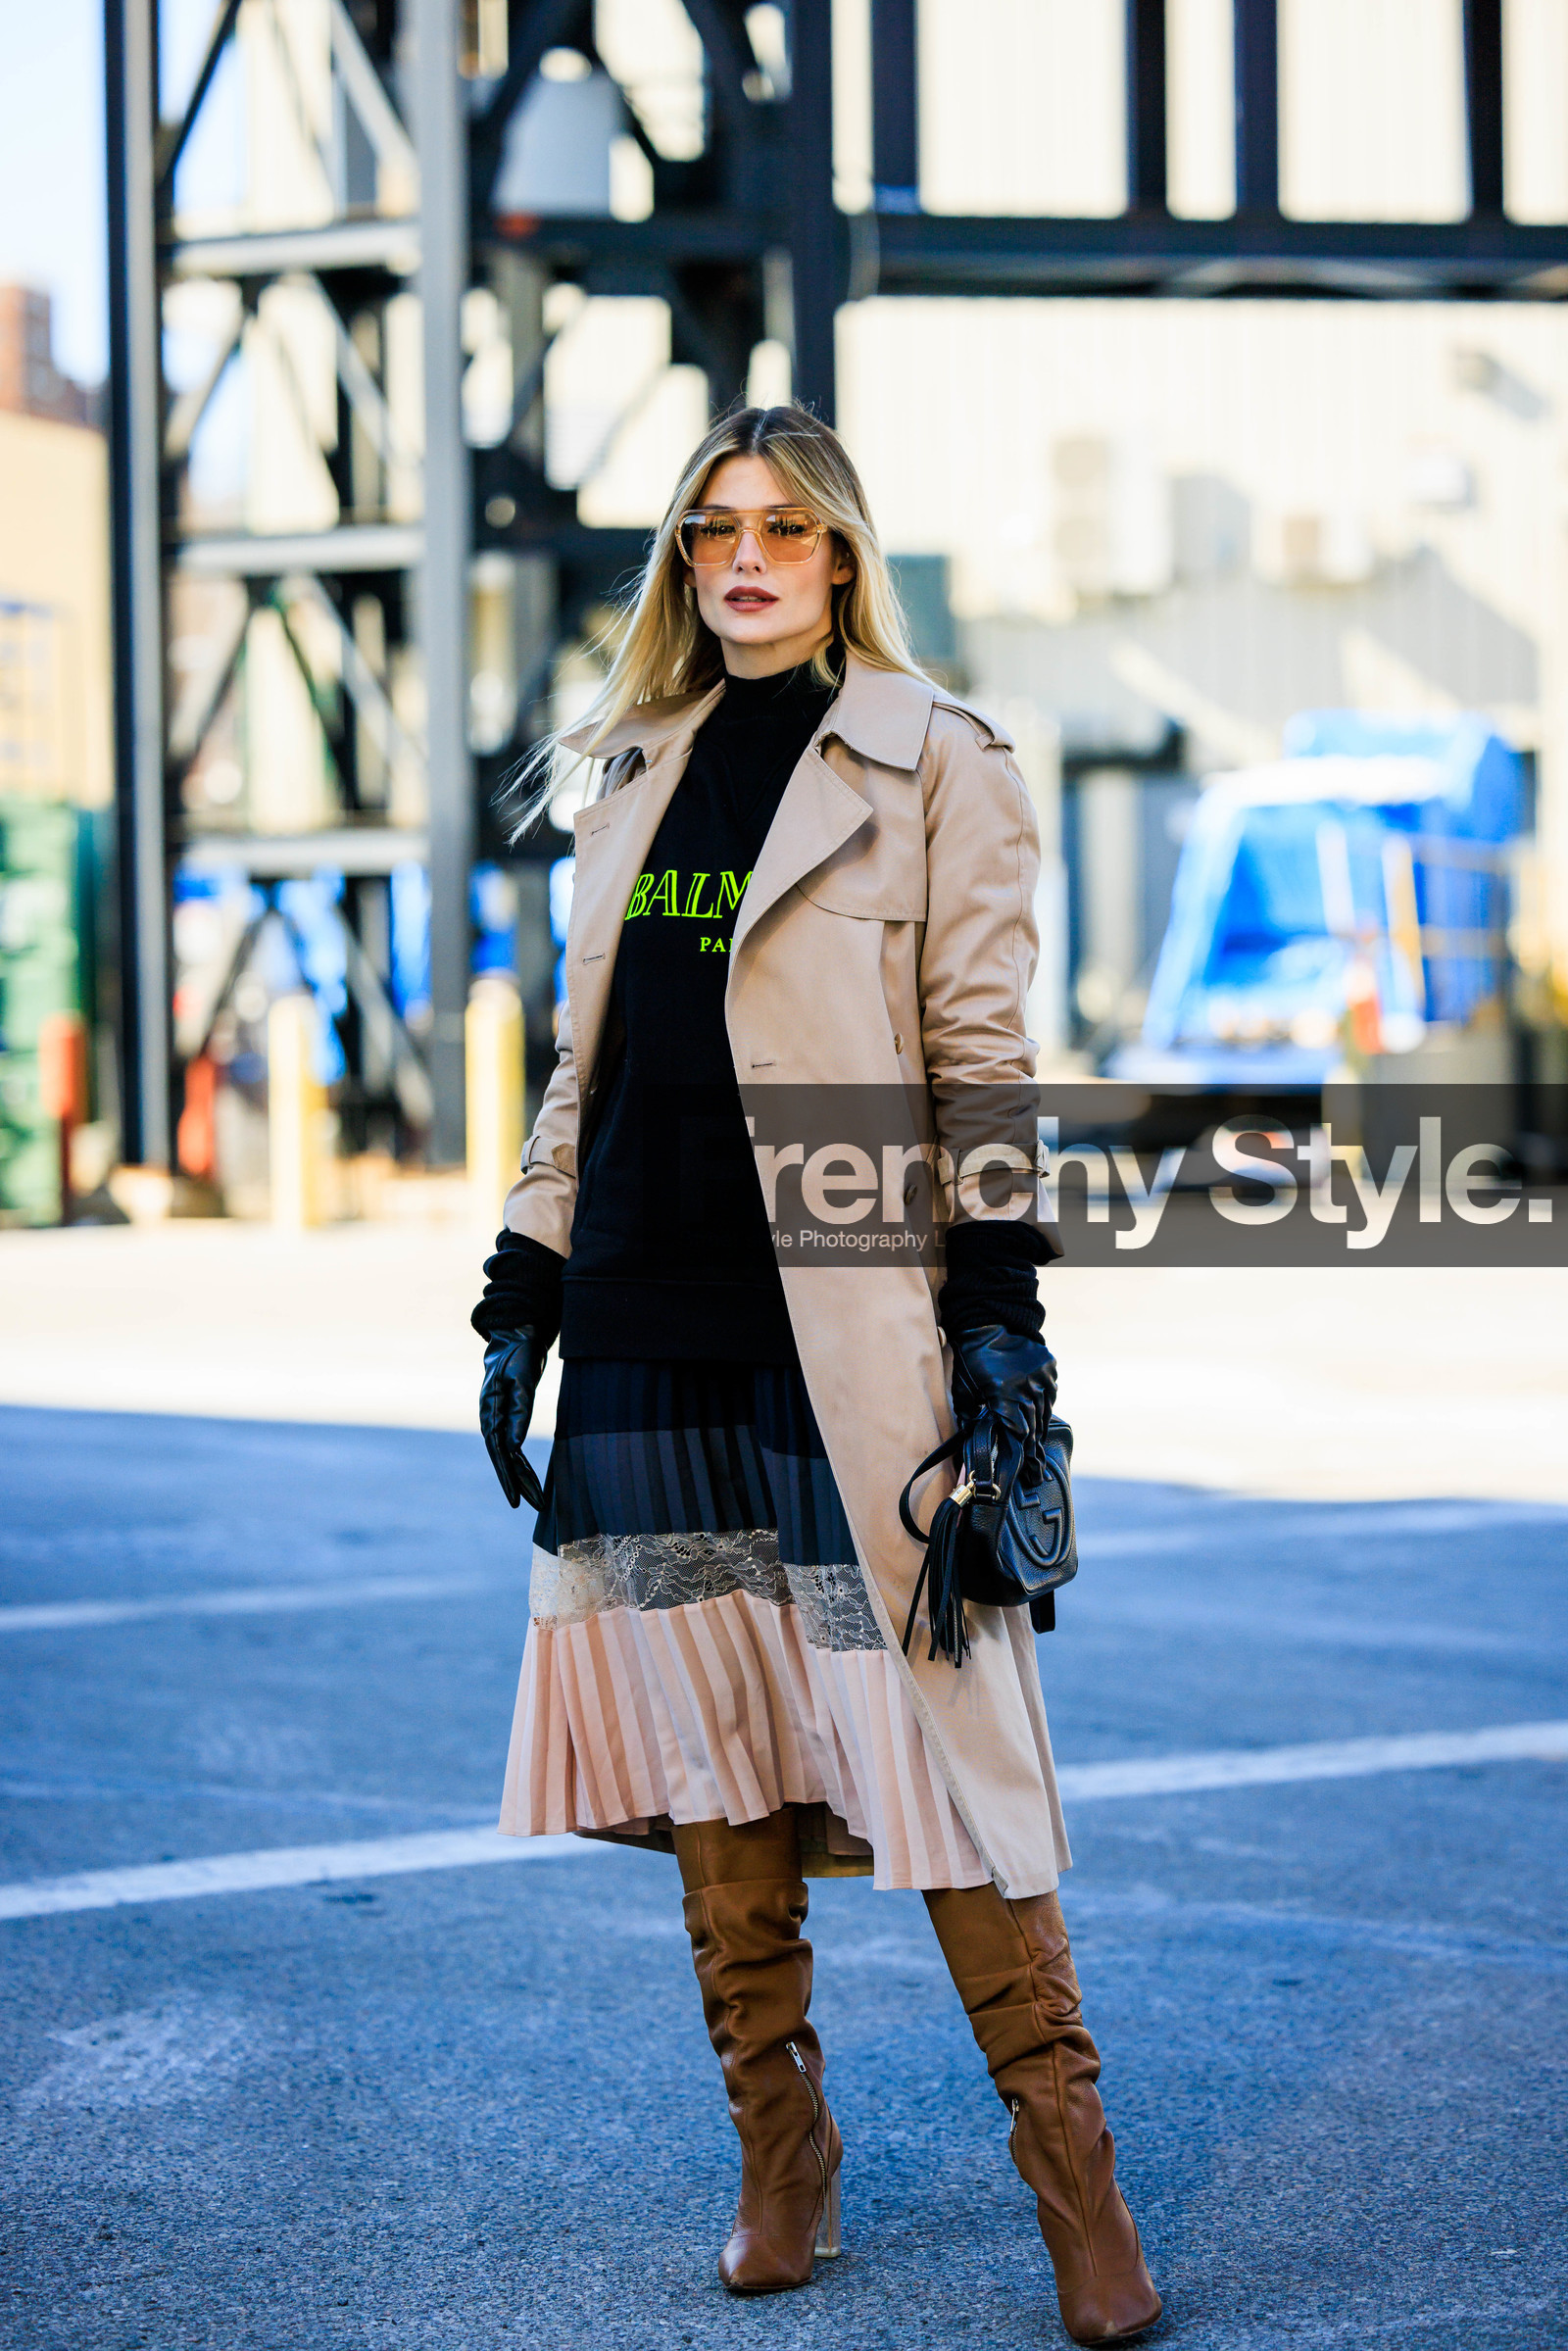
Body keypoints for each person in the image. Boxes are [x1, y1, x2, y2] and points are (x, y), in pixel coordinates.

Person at [471, 404, 1161, 2346]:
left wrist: (1001, 1323)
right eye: (712, 532)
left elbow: (979, 1070)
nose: (746, 559)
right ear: (686, 562)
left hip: (844, 1350)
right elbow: (578, 1065)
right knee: (716, 1782)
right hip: (641, 1347)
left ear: (840, 553)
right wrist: (520, 1285)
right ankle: (783, 2164)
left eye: (782, 527)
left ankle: (1075, 2200)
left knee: (942, 1773)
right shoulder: (634, 769)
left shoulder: (937, 762)